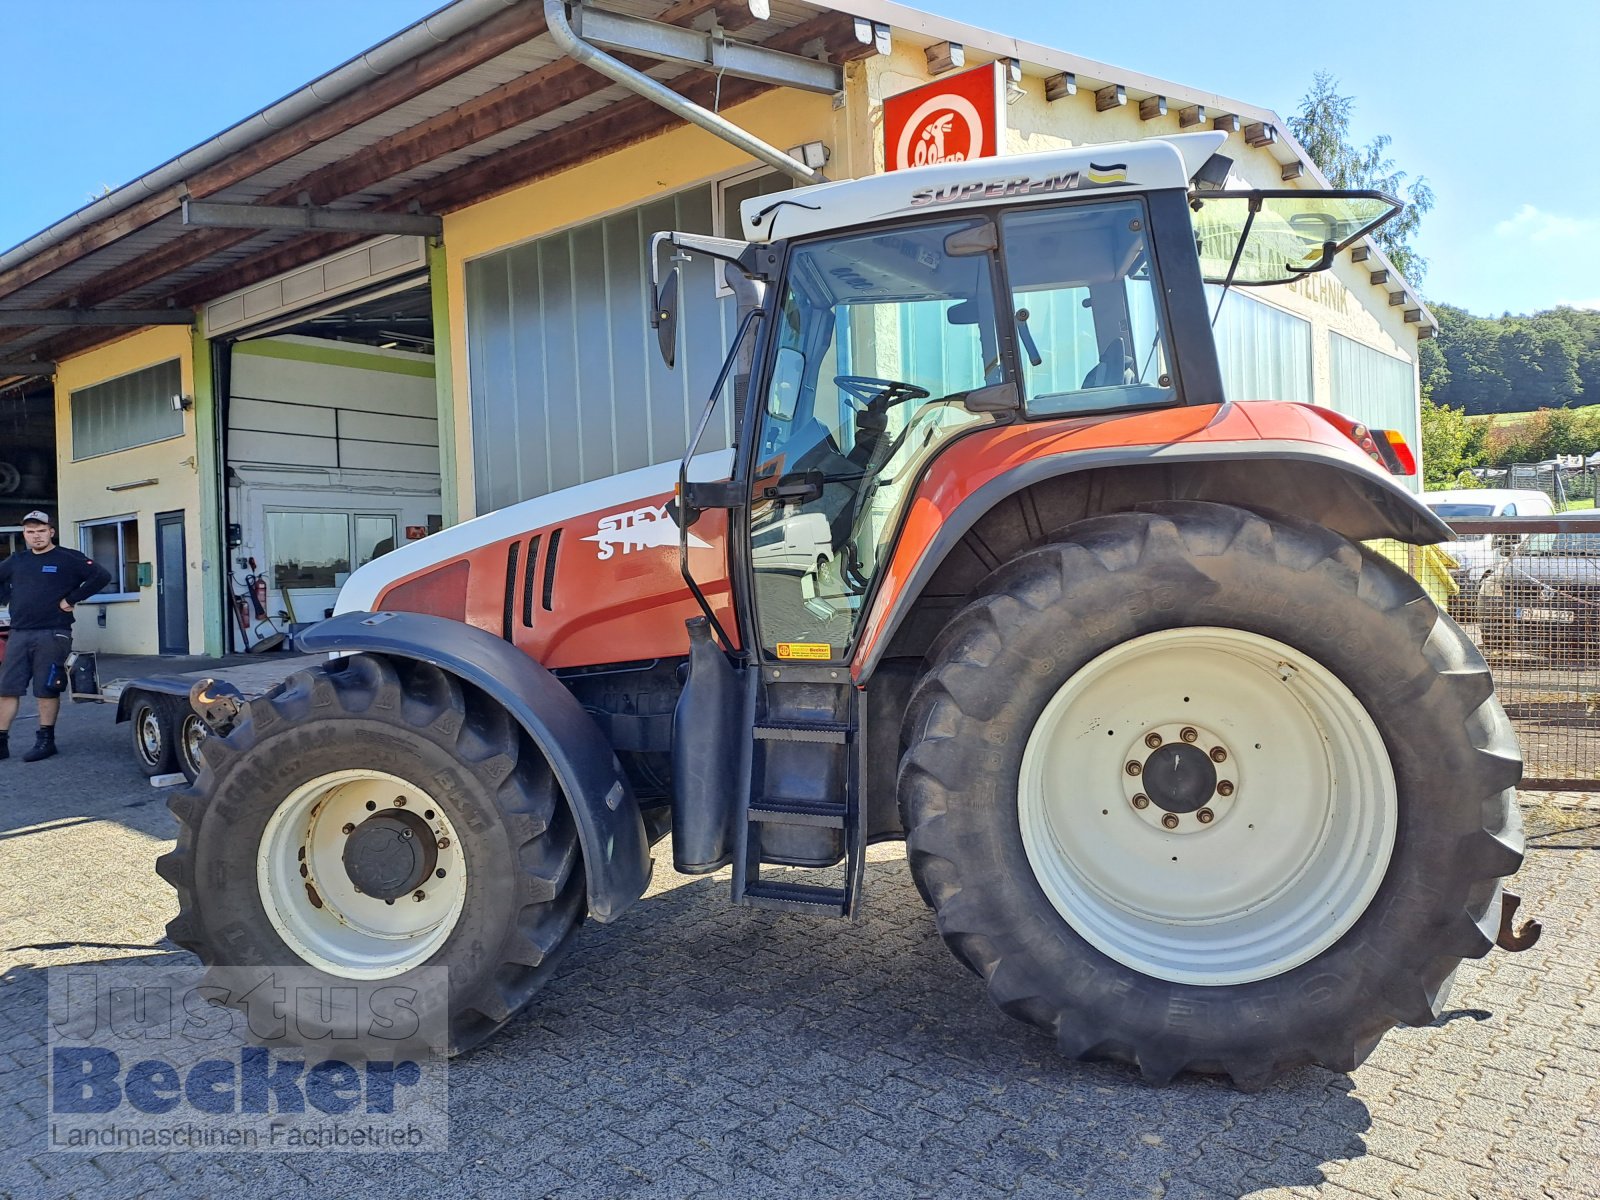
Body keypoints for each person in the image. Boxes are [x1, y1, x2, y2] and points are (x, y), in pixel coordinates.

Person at [0, 511, 111, 762]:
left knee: (46, 688)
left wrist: (72, 599)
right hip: (19, 633)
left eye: (41, 530)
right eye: (30, 531)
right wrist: (6, 597)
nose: (35, 536)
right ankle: (1, 741)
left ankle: (46, 740)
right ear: (25, 535)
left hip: (53, 632)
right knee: (7, 689)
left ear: (51, 531)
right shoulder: (17, 561)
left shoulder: (68, 558)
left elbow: (101, 577)